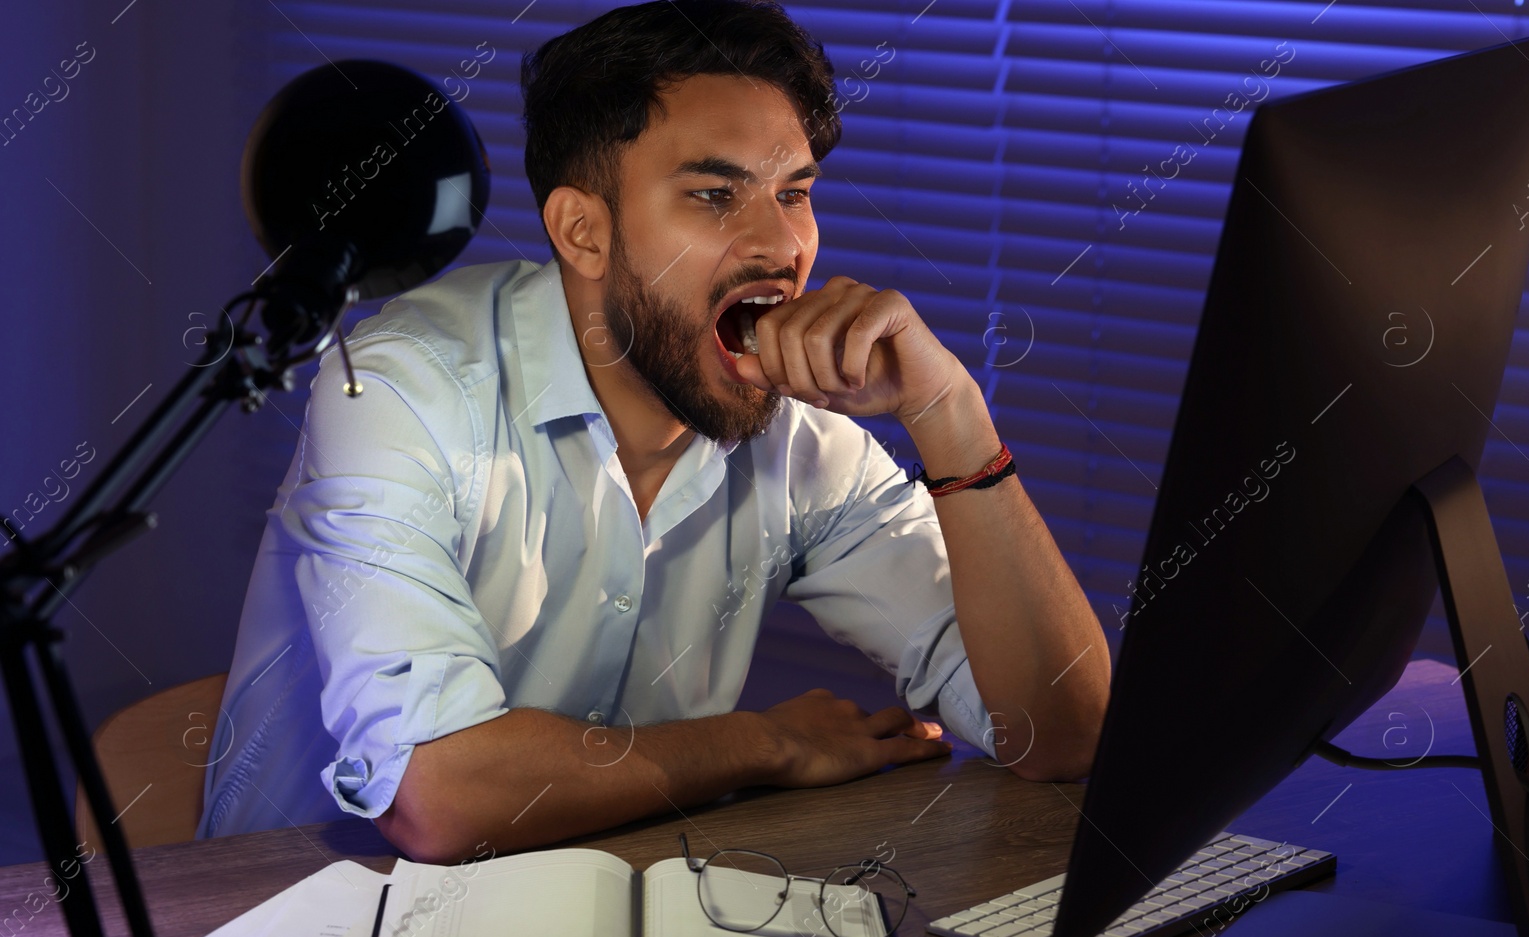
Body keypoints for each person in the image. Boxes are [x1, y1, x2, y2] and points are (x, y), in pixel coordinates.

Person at [198, 0, 1109, 862]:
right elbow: (436, 795)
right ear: (583, 233)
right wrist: (766, 744)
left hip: (605, 931)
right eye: (716, 197)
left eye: (793, 193)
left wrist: (949, 414)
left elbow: (1058, 734)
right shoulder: (402, 387)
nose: (781, 247)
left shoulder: (798, 442)